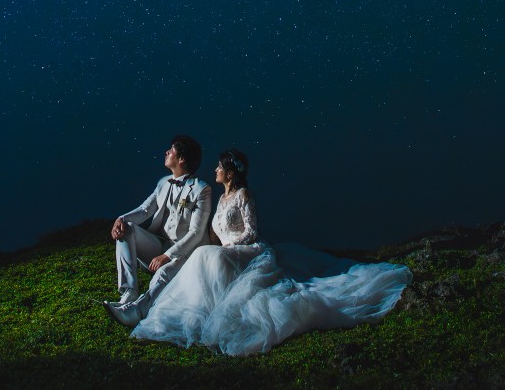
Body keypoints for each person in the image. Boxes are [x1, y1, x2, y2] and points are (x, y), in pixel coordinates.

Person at [129, 148, 412, 355]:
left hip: (250, 249)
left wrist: (227, 247)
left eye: (218, 167)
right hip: (227, 250)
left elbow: (251, 230)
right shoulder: (221, 198)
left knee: (209, 255)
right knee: (204, 254)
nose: (214, 170)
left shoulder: (243, 195)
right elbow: (215, 231)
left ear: (229, 172)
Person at [103, 135, 211, 327]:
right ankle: (129, 292)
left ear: (182, 159)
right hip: (158, 243)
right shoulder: (163, 182)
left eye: (171, 150)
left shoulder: (201, 190)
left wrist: (167, 256)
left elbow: (196, 232)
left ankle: (137, 312)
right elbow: (145, 209)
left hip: (184, 254)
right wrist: (121, 219)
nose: (166, 152)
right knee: (127, 228)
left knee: (163, 275)